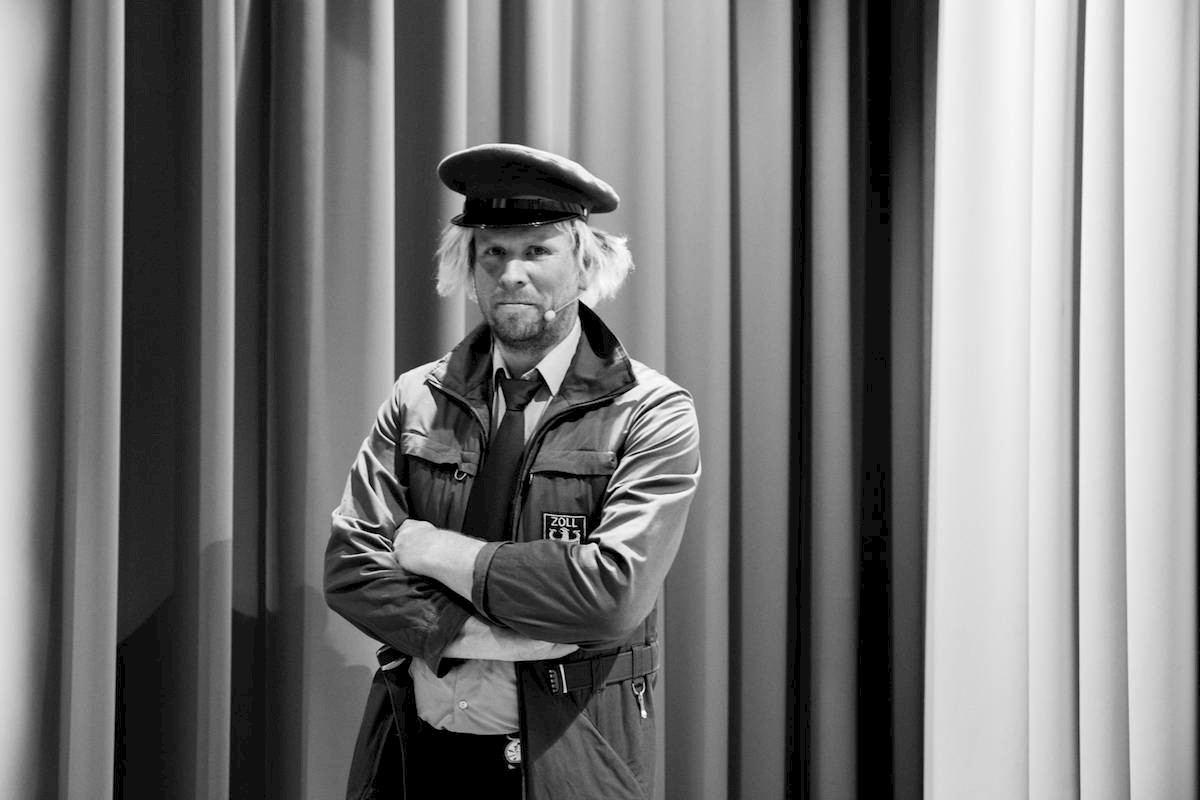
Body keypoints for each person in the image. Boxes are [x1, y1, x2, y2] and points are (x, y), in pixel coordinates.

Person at [324, 143, 701, 800]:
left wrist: (435, 550)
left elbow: (611, 595)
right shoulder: (418, 396)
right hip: (417, 754)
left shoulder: (650, 411)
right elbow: (352, 569)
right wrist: (498, 640)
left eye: (537, 250)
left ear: (585, 263)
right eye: (492, 252)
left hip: (568, 761)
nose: (511, 273)